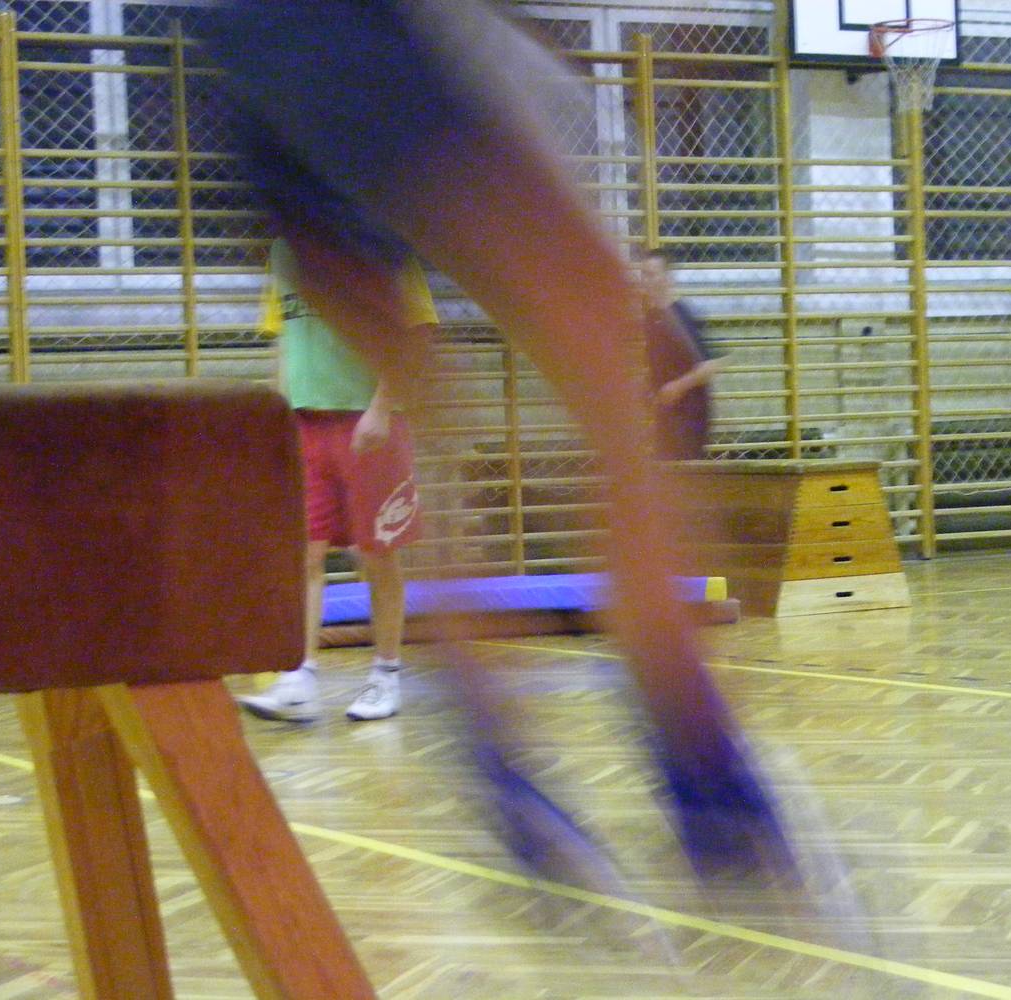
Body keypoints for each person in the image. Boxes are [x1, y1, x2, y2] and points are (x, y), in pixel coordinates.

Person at [203, 0, 796, 884]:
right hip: (376, 39)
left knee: (443, 430)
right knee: (620, 400)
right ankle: (704, 773)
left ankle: (501, 765)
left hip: (245, 72)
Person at [239, 239, 435, 723]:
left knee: (376, 554)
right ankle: (299, 677)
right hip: (306, 424)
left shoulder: (381, 246)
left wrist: (382, 408)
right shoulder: (284, 250)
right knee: (304, 553)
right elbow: (284, 339)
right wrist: (279, 411)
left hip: (367, 422)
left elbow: (414, 333)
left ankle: (385, 673)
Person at [640, 248, 725, 461]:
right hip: (668, 414)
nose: (646, 281)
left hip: (689, 415)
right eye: (644, 275)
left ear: (668, 278)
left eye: (651, 275)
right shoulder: (652, 318)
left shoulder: (679, 317)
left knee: (684, 474)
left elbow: (710, 365)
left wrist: (677, 387)